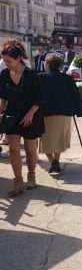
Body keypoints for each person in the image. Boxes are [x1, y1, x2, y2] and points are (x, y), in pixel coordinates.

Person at [0, 39, 45, 197]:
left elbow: (39, 99)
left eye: (8, 61)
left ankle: (31, 175)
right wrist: (0, 113)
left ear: (18, 58)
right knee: (13, 148)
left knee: (29, 147)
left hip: (30, 115)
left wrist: (30, 113)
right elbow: (3, 98)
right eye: (4, 61)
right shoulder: (5, 74)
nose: (6, 64)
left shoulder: (31, 75)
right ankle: (18, 180)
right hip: (12, 115)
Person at [38, 53, 82, 173]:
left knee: (46, 141)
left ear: (48, 64)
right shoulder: (67, 78)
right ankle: (56, 161)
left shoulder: (40, 77)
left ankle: (52, 161)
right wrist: (79, 111)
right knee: (59, 139)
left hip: (45, 113)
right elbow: (76, 95)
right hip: (64, 113)